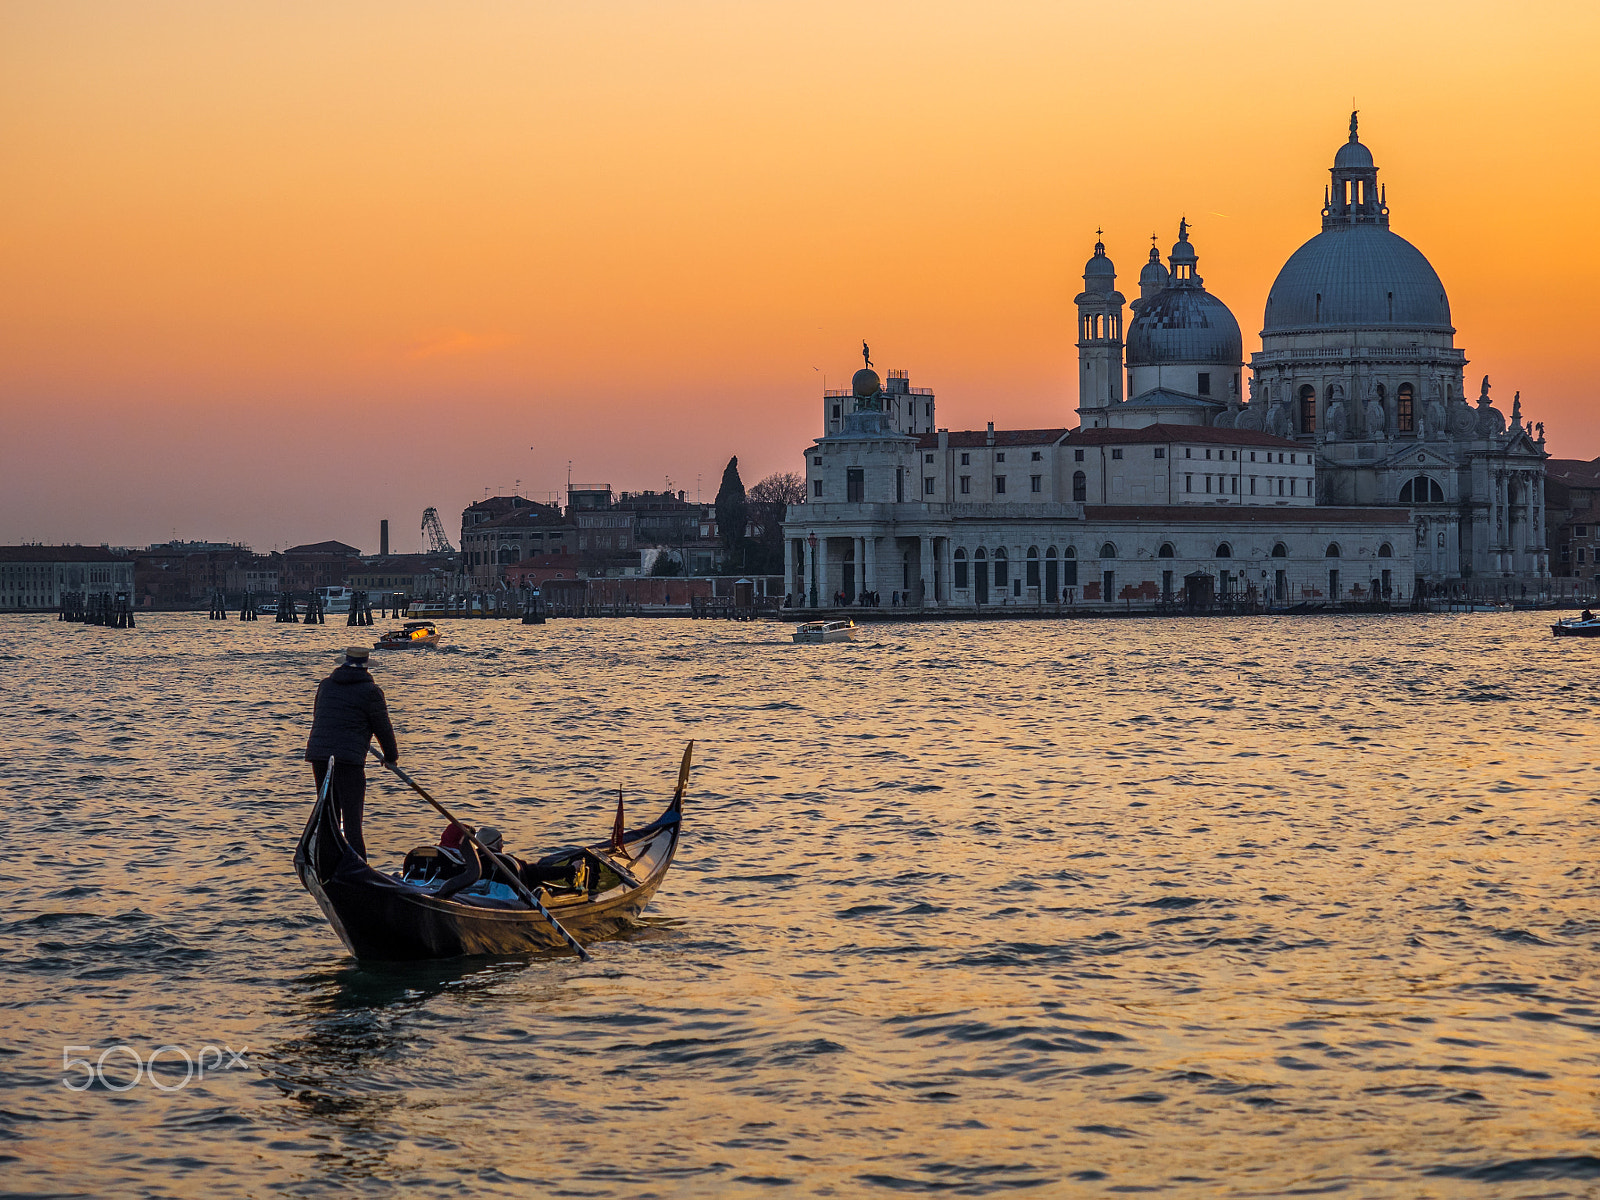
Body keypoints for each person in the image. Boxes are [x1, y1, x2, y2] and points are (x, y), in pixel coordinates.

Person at [305, 645, 398, 860]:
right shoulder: (371, 692)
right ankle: (357, 866)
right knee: (352, 820)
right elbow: (383, 728)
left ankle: (329, 860)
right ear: (366, 669)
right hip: (348, 760)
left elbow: (319, 716)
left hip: (319, 755)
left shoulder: (325, 686)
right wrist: (391, 757)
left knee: (329, 814)